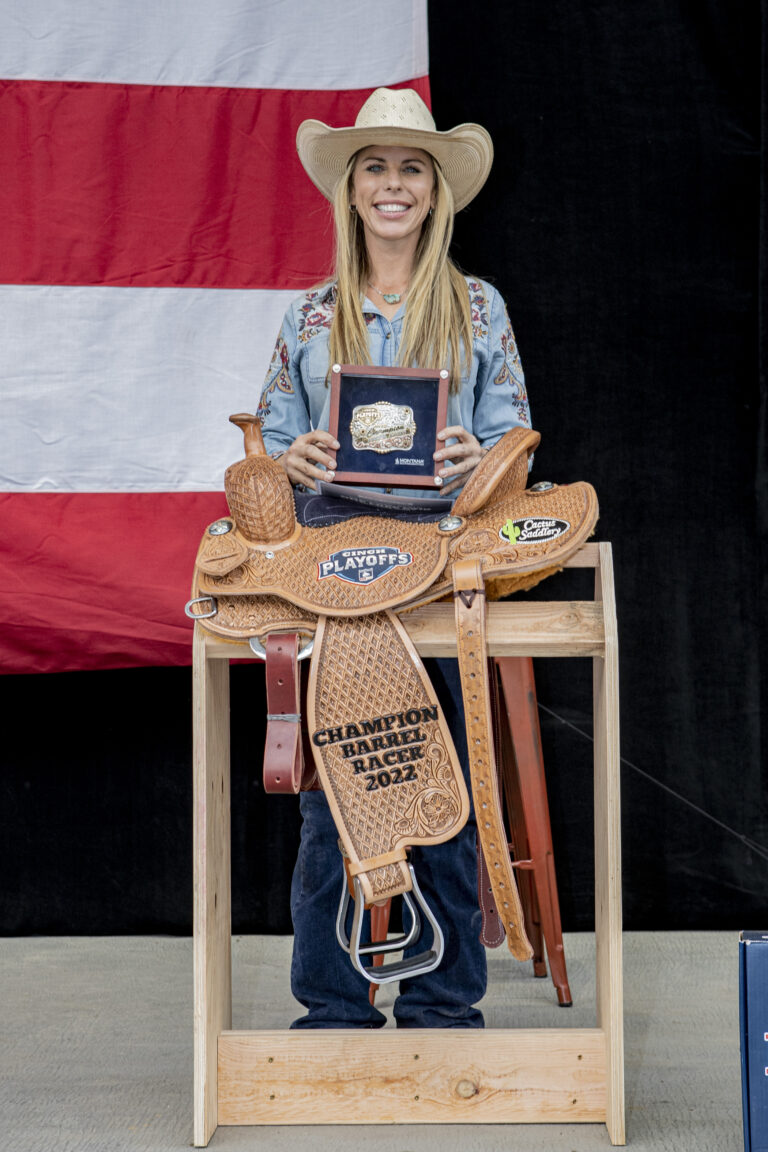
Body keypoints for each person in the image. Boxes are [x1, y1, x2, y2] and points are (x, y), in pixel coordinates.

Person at [258, 87, 531, 1029]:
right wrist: (287, 458)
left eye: (410, 167)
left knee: (444, 781)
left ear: (435, 189)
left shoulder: (479, 308)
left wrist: (477, 460)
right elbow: (271, 446)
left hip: (440, 549)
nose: (392, 183)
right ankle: (330, 1006)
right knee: (335, 790)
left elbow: (516, 445)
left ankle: (444, 1003)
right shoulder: (309, 317)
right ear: (350, 187)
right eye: (374, 165)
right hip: (334, 544)